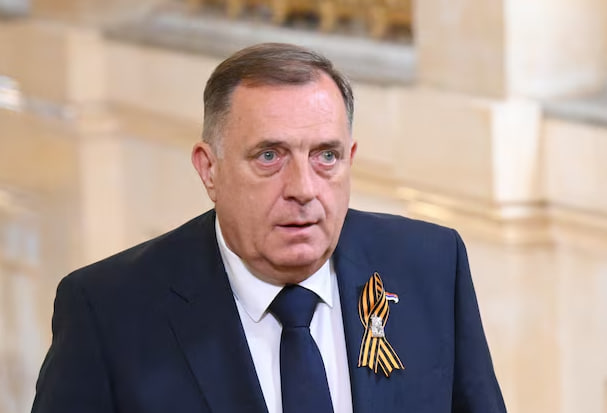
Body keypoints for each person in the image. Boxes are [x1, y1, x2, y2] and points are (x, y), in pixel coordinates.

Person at [31, 43, 507, 413]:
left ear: (351, 159)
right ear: (209, 169)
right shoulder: (108, 313)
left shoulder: (429, 265)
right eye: (269, 156)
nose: (303, 188)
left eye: (326, 156)